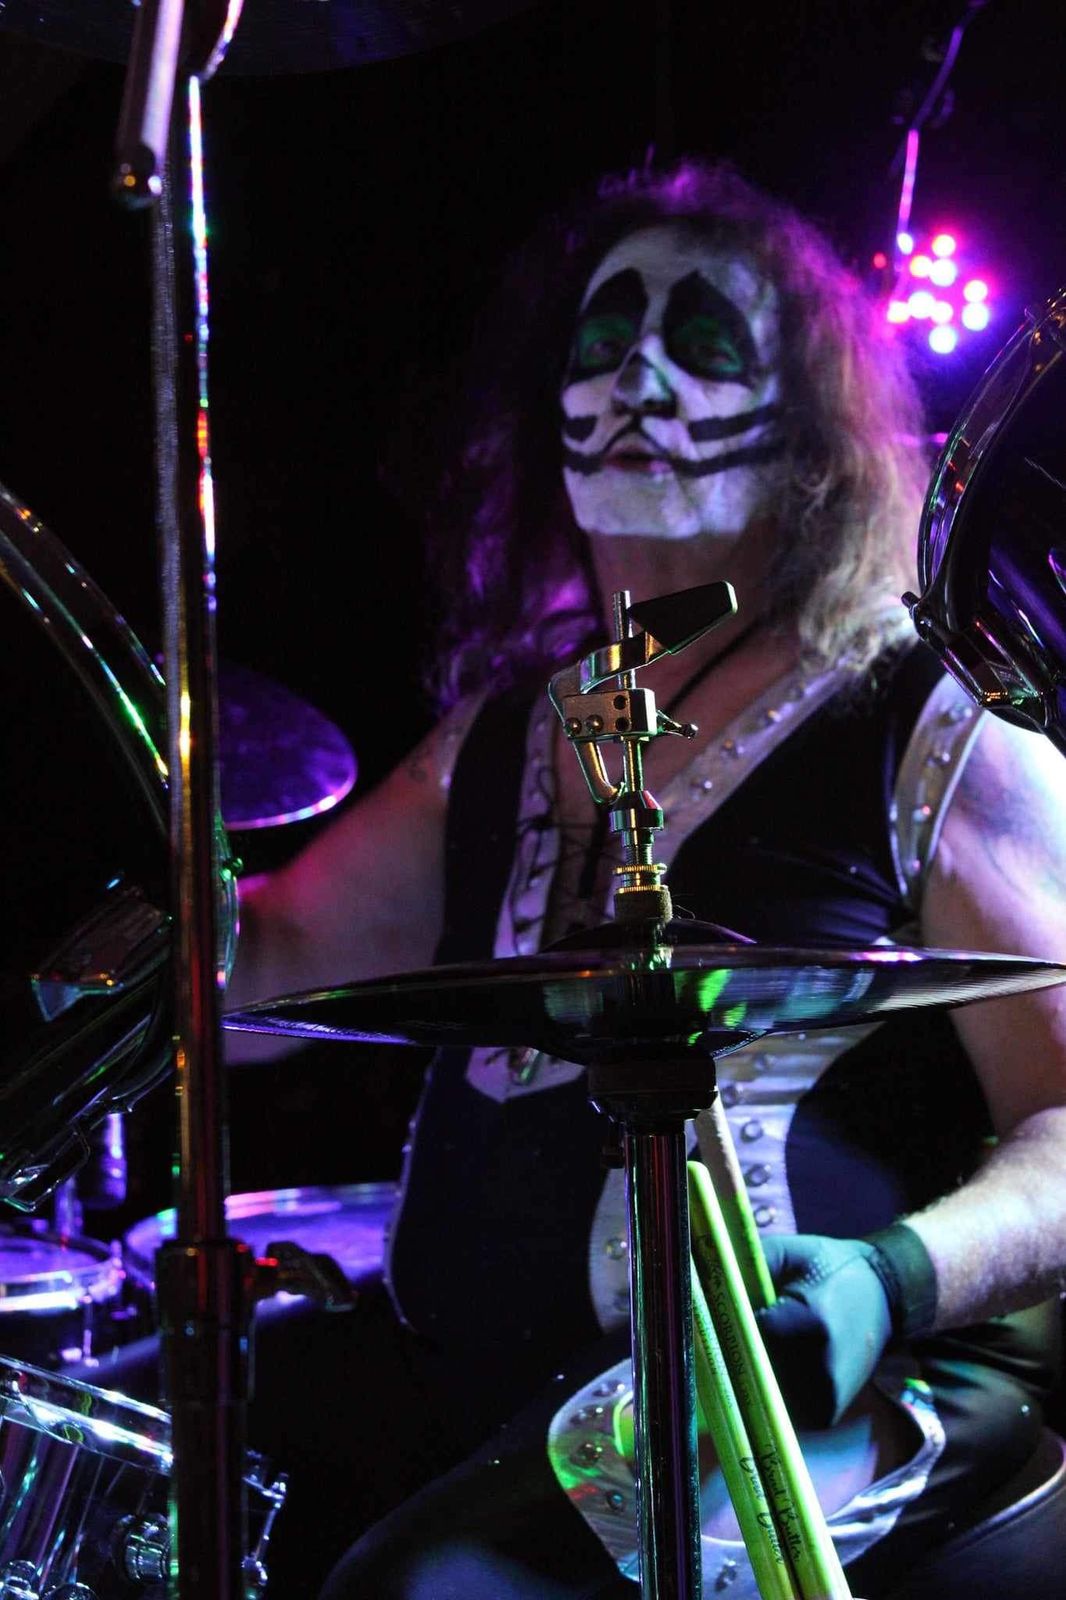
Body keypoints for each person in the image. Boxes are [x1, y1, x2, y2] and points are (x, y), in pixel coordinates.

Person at [226, 159, 1066, 1598]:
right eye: (606, 340)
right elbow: (262, 975)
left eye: (704, 341)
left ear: (811, 428)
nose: (640, 383)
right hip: (509, 1407)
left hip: (827, 1409)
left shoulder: (933, 718)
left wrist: (890, 1278)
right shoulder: (509, 729)